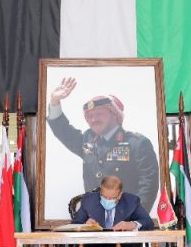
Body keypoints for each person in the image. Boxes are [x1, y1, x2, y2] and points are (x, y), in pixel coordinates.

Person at [46, 77, 158, 212]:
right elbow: (63, 131)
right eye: (89, 116)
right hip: (94, 218)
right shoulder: (87, 141)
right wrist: (54, 101)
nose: (94, 119)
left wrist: (133, 217)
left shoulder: (137, 144)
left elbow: (148, 185)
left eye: (99, 114)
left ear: (115, 114)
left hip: (125, 218)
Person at [72, 175, 154, 231]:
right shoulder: (89, 200)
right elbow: (74, 225)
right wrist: (85, 226)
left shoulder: (131, 201)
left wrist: (133, 224)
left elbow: (148, 223)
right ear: (101, 190)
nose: (107, 200)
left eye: (112, 198)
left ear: (120, 194)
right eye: (104, 197)